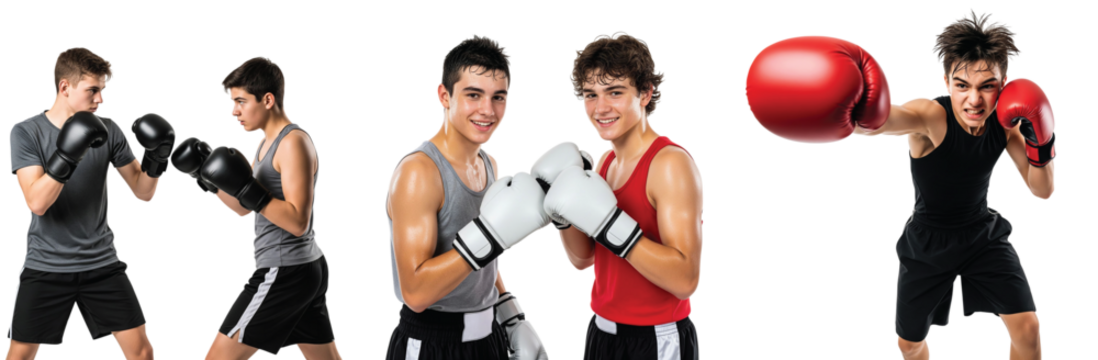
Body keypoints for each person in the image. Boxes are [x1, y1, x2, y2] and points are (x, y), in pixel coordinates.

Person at [747, 7, 1052, 360]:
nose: (974, 100)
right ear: (946, 81)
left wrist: (1041, 142)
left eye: (987, 87)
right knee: (909, 345)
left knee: (1028, 328)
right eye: (962, 85)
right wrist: (856, 110)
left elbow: (1042, 191)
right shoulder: (930, 116)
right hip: (928, 242)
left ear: (1004, 81)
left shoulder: (1008, 123)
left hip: (982, 236)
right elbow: (883, 122)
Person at [538, 29, 703, 359]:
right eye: (590, 95)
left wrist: (613, 225)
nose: (600, 108)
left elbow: (685, 280)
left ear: (644, 93)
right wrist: (561, 215)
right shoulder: (606, 161)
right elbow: (583, 260)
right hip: (601, 332)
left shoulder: (670, 164)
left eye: (614, 92)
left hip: (656, 340)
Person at [385, 32, 550, 360]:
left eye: (498, 97)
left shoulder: (488, 162)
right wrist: (490, 236)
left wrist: (512, 314)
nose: (487, 110)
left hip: (488, 336)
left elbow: (481, 262)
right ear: (443, 95)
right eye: (473, 95)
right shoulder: (419, 173)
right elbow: (415, 292)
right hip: (430, 341)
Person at [7, 46, 167, 360]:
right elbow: (36, 202)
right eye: (93, 90)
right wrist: (69, 153)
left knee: (142, 352)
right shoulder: (26, 131)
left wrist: (156, 158)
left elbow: (143, 192)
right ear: (64, 87)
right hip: (47, 264)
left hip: (102, 264)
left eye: (103, 91)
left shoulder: (108, 129)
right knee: (21, 354)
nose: (101, 100)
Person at [175, 55, 340, 359]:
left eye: (240, 101)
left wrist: (247, 188)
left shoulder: (294, 143)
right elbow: (244, 209)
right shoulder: (264, 145)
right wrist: (205, 178)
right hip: (302, 269)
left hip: (286, 269)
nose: (234, 111)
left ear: (267, 99)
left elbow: (297, 221)